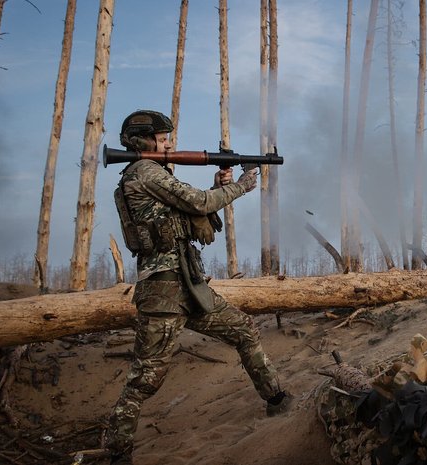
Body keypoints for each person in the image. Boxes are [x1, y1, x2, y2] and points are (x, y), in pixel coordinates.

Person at [105, 110, 292, 464]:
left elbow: (187, 208)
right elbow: (198, 203)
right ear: (142, 140)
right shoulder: (144, 172)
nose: (168, 144)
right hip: (164, 292)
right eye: (161, 139)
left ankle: (278, 401)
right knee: (146, 378)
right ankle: (116, 452)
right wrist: (241, 186)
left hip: (188, 287)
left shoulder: (152, 173)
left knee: (243, 330)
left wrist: (221, 186)